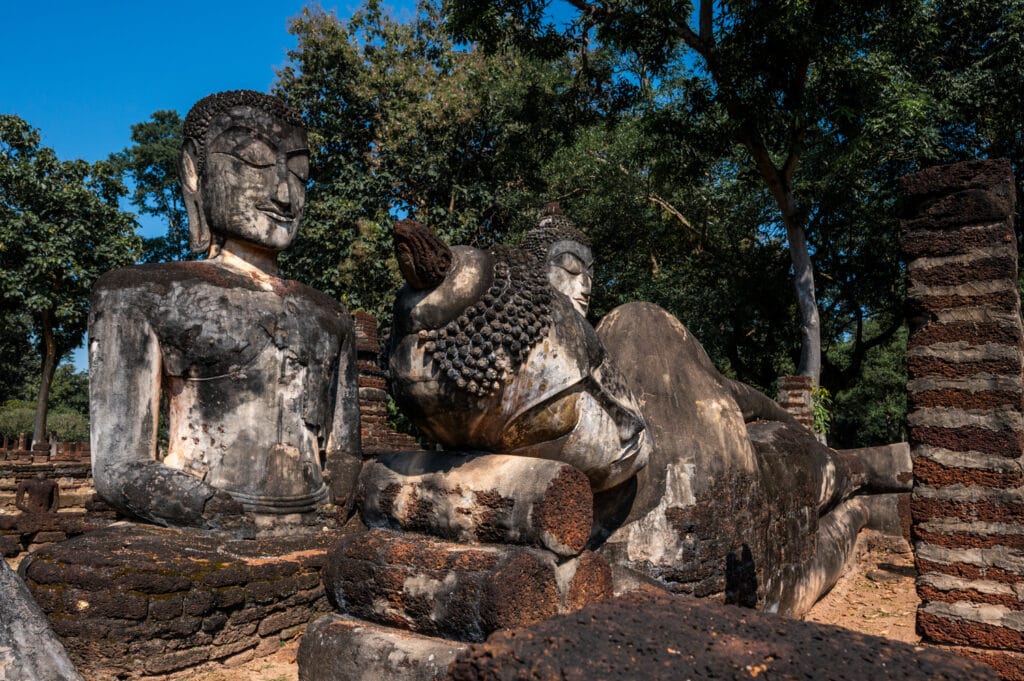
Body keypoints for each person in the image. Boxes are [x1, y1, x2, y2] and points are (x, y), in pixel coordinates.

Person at [387, 204, 908, 615]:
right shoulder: (540, 358)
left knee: (833, 475)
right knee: (835, 526)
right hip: (673, 512)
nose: (585, 284)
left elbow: (735, 395)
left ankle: (866, 467)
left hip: (737, 464)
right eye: (571, 270)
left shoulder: (635, 329)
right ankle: (866, 502)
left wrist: (793, 422)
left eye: (588, 271)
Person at [89, 90, 360, 535]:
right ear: (194, 172)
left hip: (318, 534)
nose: (284, 193)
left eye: (299, 172)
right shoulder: (138, 294)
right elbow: (118, 466)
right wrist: (209, 508)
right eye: (254, 160)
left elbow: (344, 451)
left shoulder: (329, 315)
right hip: (204, 533)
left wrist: (343, 499)